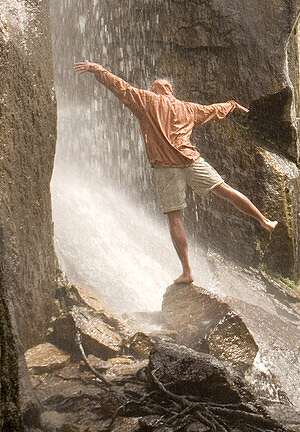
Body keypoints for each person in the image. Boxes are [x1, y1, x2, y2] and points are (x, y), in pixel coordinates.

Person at [74, 60, 277, 284]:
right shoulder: (188, 108)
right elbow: (214, 110)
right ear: (171, 91)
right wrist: (232, 105)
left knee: (175, 218)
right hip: (191, 160)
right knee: (225, 191)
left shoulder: (147, 100)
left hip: (165, 168)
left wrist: (97, 69)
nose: (152, 90)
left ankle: (187, 271)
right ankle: (264, 220)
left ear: (157, 90)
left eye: (153, 87)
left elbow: (120, 86)